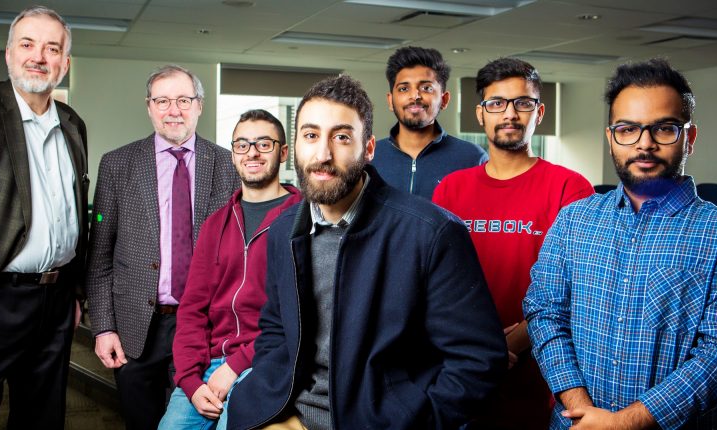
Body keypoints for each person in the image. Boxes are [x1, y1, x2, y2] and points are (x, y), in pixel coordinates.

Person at [227, 75, 506, 429]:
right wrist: (276, 409)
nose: (323, 154)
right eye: (311, 136)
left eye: (342, 137)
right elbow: (274, 330)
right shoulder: (284, 231)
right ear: (294, 146)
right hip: (287, 415)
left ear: (369, 148)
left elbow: (478, 360)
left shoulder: (432, 234)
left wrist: (414, 423)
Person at [524, 58, 717, 429]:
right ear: (611, 136)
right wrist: (579, 407)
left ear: (689, 138)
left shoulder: (715, 231)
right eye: (628, 129)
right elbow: (545, 313)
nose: (644, 144)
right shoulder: (574, 220)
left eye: (664, 128)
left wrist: (626, 423)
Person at [433, 58, 593, 429]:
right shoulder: (450, 189)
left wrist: (512, 342)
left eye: (522, 103)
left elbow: (574, 288)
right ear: (480, 114)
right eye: (497, 103)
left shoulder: (571, 188)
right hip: (458, 368)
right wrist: (476, 347)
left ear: (539, 112)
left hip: (538, 373)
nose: (509, 114)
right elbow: (431, 281)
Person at [0, 6, 88, 429]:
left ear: (65, 64)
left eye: (52, 48)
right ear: (8, 54)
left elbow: (75, 213)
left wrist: (75, 293)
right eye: (27, 44)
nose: (39, 57)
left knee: (42, 416)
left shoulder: (72, 123)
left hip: (55, 301)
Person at [86, 64, 239, 430]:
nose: (174, 110)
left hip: (205, 328)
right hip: (136, 329)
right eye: (163, 100)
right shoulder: (118, 164)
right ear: (149, 106)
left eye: (184, 100)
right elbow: (100, 256)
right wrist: (103, 327)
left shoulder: (227, 165)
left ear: (199, 105)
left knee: (193, 423)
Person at [158, 109, 302, 429]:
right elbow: (193, 309)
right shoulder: (215, 224)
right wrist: (191, 382)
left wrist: (236, 365)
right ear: (233, 153)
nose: (252, 152)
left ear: (283, 152)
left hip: (265, 364)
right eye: (242, 144)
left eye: (264, 144)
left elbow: (300, 317)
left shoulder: (303, 221)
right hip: (208, 366)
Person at [372, 46, 487, 199]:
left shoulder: (472, 158)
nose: (415, 96)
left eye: (426, 88)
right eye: (404, 88)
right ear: (390, 101)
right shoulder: (369, 157)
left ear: (444, 100)